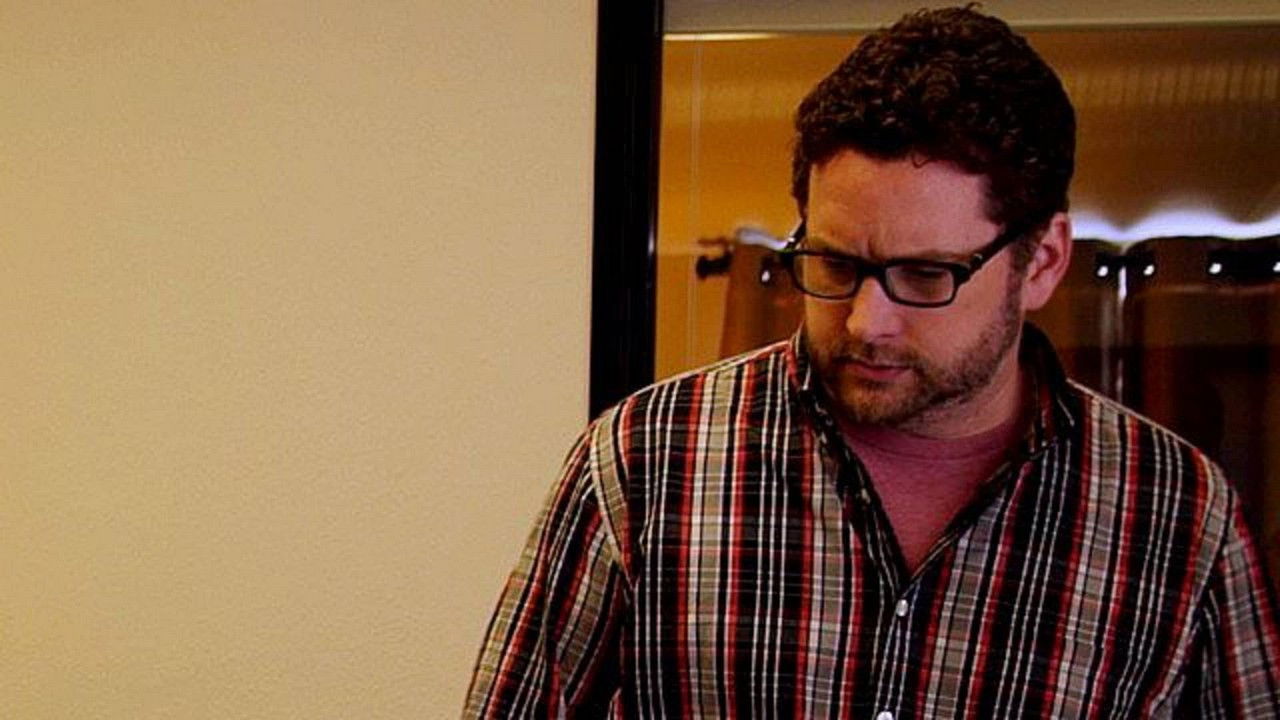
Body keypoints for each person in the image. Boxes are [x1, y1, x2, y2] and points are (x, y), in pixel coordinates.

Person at [464, 7, 1280, 718]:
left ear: (1042, 262)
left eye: (925, 275)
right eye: (834, 264)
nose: (866, 322)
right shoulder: (646, 461)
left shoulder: (1178, 517)